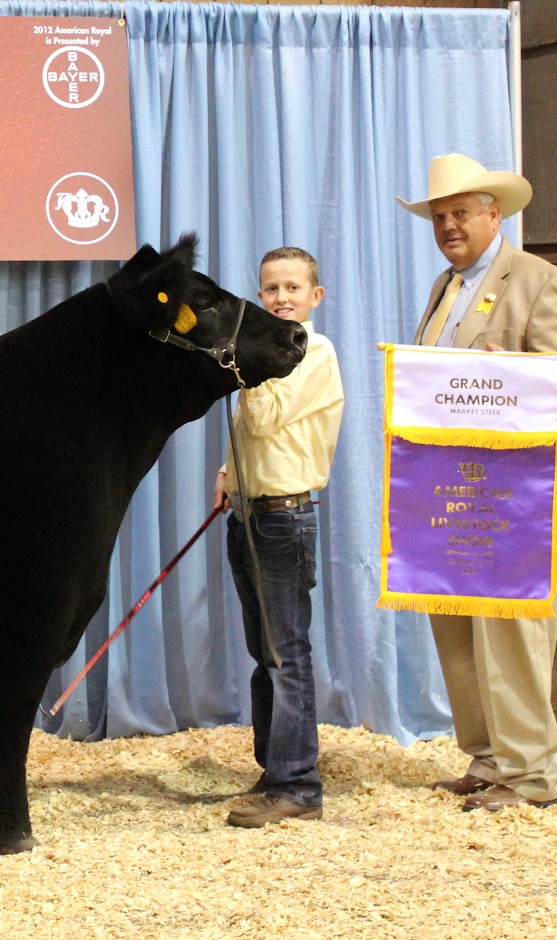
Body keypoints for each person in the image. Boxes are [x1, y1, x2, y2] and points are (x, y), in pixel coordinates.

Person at [397, 152, 557, 812]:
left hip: (522, 501)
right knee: (457, 634)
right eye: (439, 216)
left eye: (460, 214)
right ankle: (488, 758)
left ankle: (532, 776)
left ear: (494, 215)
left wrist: (518, 372)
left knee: (511, 639)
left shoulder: (540, 280)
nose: (449, 226)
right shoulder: (445, 287)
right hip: (453, 494)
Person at [215, 246, 345, 828]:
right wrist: (227, 475)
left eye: (293, 287)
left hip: (283, 517)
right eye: (270, 289)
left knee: (285, 652)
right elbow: (249, 435)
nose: (281, 298)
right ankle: (275, 769)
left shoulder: (312, 352)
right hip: (249, 510)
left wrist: (243, 363)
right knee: (262, 650)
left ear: (315, 297)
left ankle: (299, 785)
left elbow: (264, 415)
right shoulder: (271, 351)